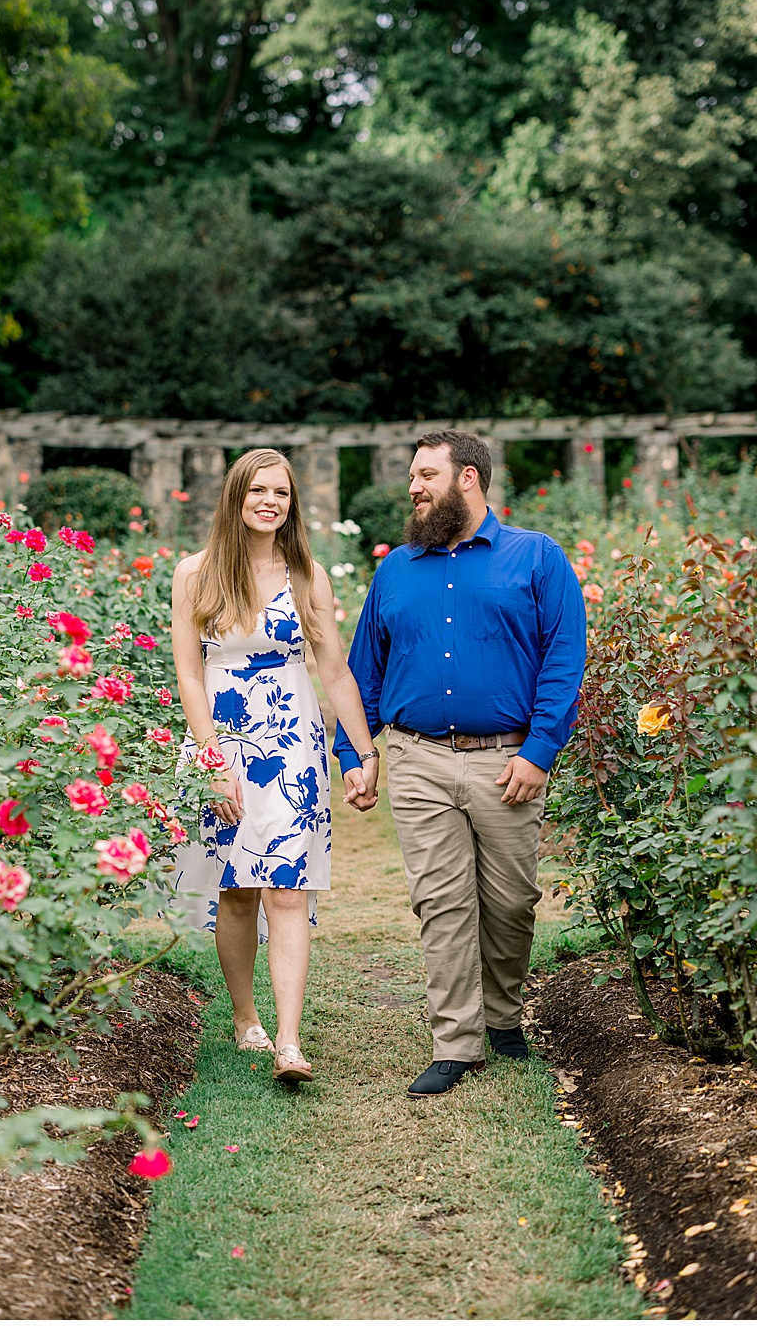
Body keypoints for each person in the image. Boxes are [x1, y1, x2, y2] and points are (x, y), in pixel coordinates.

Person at [334, 429, 587, 1099]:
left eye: (425, 475)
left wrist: (539, 750)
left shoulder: (535, 557)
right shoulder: (395, 571)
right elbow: (364, 671)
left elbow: (565, 658)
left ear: (468, 478)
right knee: (441, 904)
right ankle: (457, 1041)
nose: (413, 488)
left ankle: (503, 1016)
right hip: (418, 760)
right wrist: (357, 753)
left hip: (508, 761)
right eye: (413, 477)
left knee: (510, 902)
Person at [171, 448, 380, 1085]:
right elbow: (188, 672)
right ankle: (246, 1018)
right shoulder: (196, 574)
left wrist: (363, 751)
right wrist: (210, 761)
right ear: (236, 497)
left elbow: (335, 670)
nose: (270, 502)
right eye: (258, 490)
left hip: (291, 749)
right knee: (235, 894)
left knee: (288, 890)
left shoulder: (306, 576)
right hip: (223, 747)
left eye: (282, 494)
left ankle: (289, 1043)